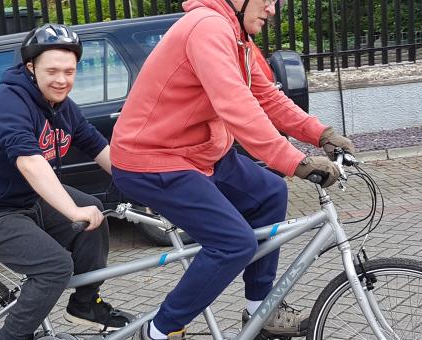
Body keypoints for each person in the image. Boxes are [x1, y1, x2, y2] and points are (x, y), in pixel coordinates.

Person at [109, 0, 355, 337]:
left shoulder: (235, 36)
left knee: (269, 192)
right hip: (153, 159)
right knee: (233, 243)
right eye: (267, 0)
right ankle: (159, 330)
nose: (272, 9)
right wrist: (295, 161)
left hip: (200, 154)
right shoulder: (208, 28)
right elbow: (235, 105)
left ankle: (261, 309)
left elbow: (266, 97)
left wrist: (320, 133)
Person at [0, 23, 132, 340]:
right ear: (31, 67)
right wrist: (73, 212)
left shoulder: (62, 107)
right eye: (53, 71)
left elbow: (101, 149)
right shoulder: (7, 103)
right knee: (54, 266)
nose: (62, 80)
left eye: (69, 71)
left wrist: (155, 185)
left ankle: (85, 303)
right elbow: (30, 163)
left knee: (93, 209)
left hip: (22, 199)